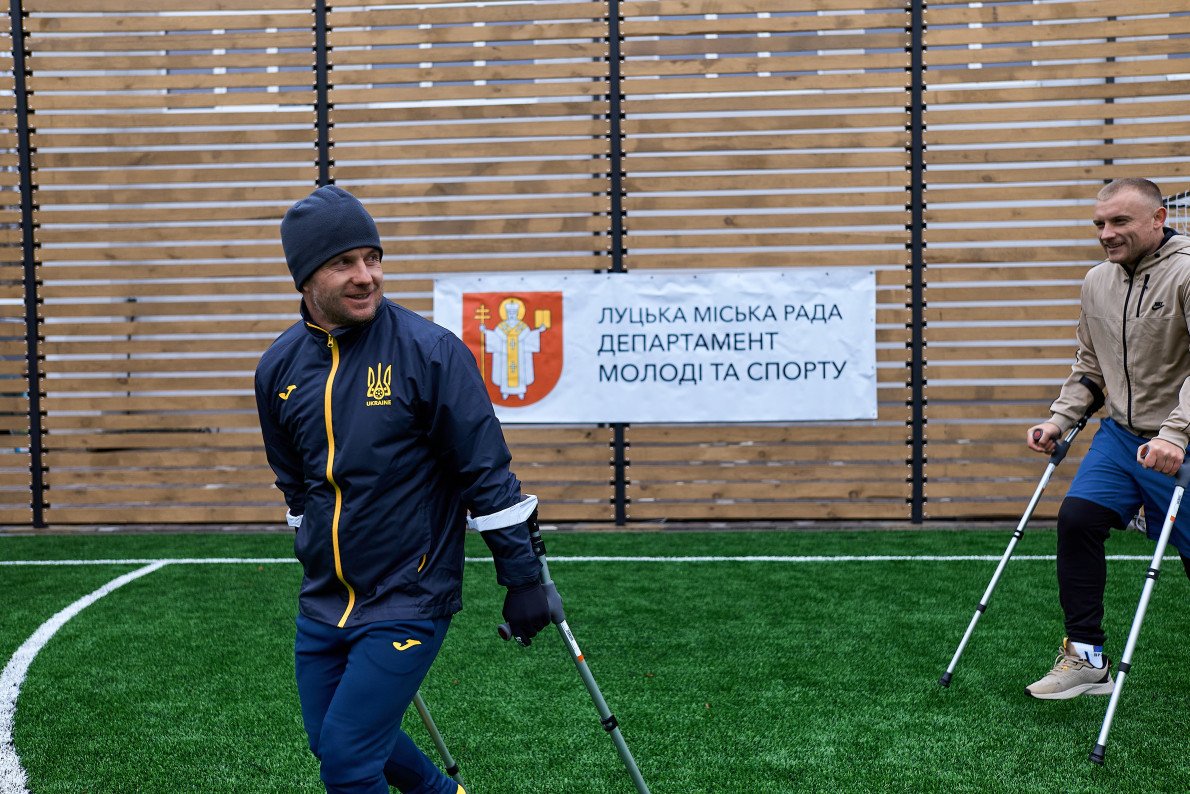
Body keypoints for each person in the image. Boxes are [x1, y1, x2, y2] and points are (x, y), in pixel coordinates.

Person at [254, 184, 551, 793]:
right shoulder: (278, 369)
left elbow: (487, 476)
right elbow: (297, 487)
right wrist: (311, 549)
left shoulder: (431, 353)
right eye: (343, 263)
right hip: (326, 598)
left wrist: (523, 580)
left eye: (373, 258)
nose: (365, 276)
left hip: (410, 592)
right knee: (329, 738)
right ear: (305, 278)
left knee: (348, 762)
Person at [1025, 177, 1190, 700]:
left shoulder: (1186, 272)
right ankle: (1087, 657)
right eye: (1100, 223)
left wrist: (1176, 434)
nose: (1107, 233)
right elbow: (1090, 365)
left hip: (1181, 440)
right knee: (1077, 518)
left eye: (1120, 221)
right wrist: (1060, 419)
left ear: (1159, 218)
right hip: (1121, 437)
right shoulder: (1097, 280)